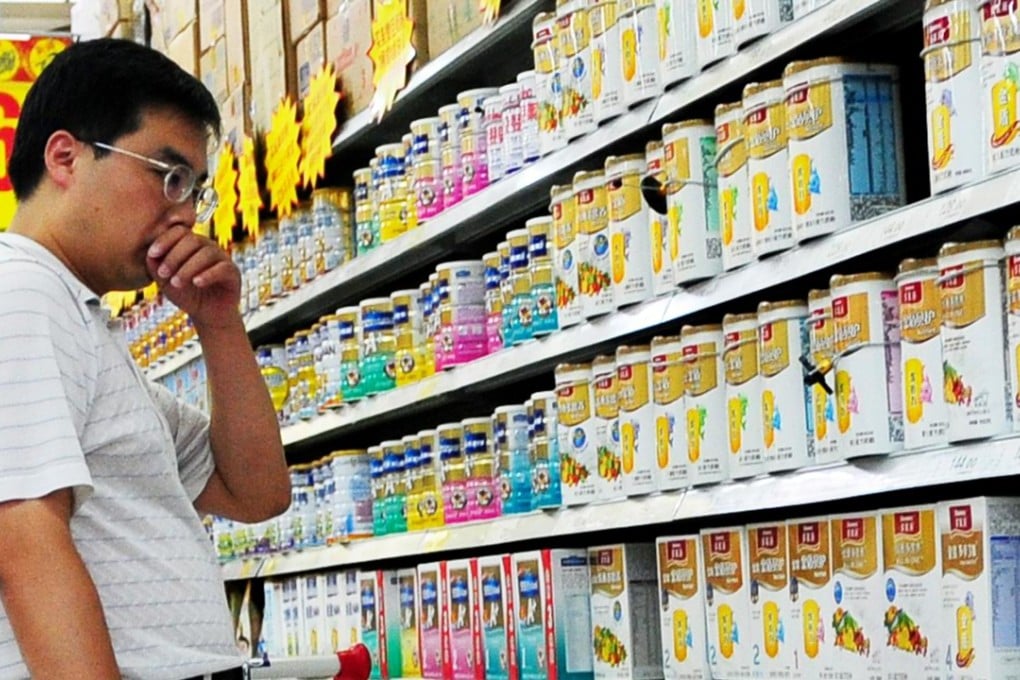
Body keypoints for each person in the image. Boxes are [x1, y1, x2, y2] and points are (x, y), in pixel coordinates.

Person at [0, 39, 290, 679]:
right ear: (66, 157)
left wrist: (219, 323)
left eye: (193, 190)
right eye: (168, 175)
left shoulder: (77, 317)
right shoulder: (21, 294)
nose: (184, 214)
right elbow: (23, 538)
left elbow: (256, 492)